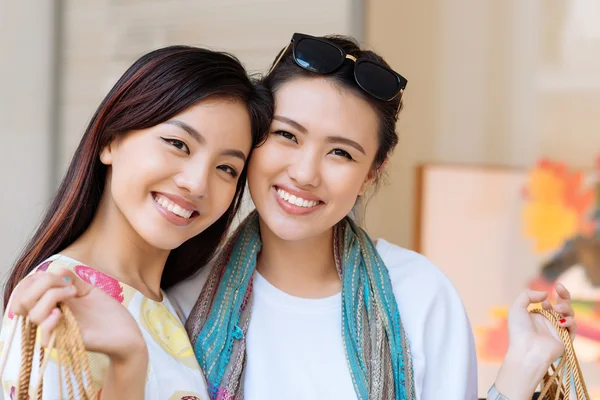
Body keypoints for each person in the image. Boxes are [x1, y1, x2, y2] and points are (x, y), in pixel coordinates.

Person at [168, 33, 578, 400]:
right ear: (254, 139)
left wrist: (523, 366)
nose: (305, 173)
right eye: (287, 135)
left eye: (340, 153)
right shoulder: (183, 293)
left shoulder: (419, 294)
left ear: (370, 174)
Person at [0, 45, 272, 400]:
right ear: (111, 139)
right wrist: (128, 363)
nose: (197, 183)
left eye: (226, 168)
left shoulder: (174, 303)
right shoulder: (59, 302)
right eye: (178, 144)